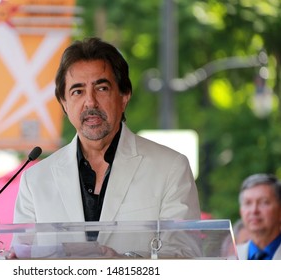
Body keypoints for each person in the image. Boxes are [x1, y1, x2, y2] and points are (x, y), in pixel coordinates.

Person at [11, 37, 201, 258]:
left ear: (124, 96)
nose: (90, 102)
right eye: (77, 91)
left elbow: (185, 255)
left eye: (101, 88)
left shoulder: (170, 167)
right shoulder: (35, 180)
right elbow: (22, 257)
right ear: (64, 103)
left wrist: (121, 262)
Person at [237, 173, 281, 260]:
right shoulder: (229, 257)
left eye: (264, 202)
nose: (254, 210)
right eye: (248, 203)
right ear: (241, 211)